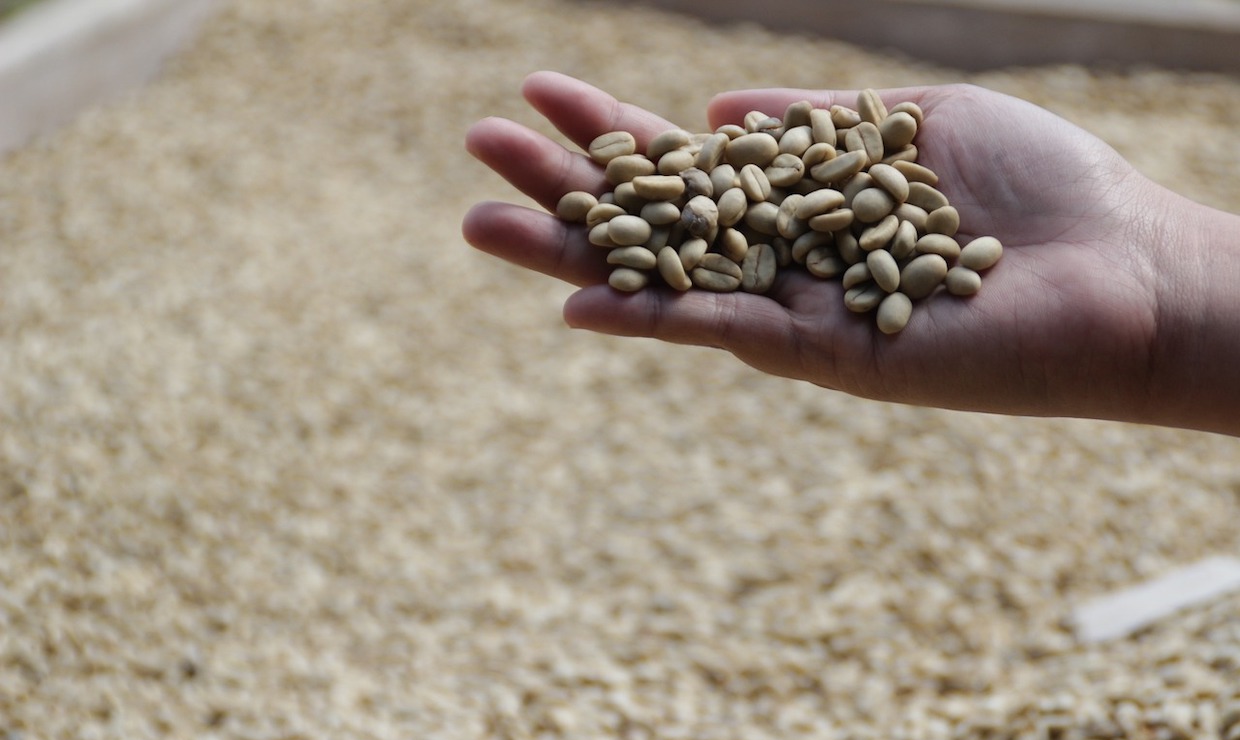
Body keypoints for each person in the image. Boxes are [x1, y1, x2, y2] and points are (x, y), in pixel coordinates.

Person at [462, 71, 1240, 438]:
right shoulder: (777, 202)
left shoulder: (880, 209)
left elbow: (819, 205)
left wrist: (1164, 286)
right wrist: (1162, 286)